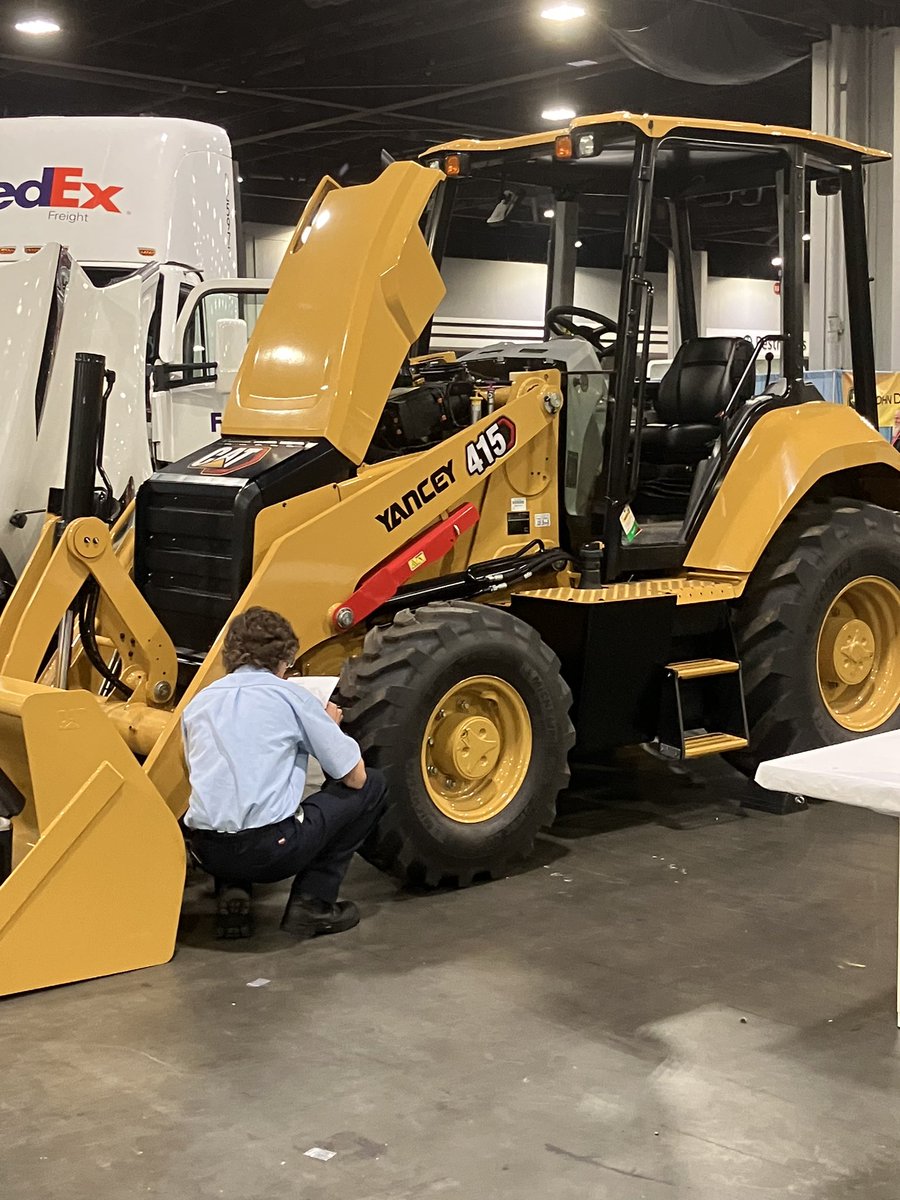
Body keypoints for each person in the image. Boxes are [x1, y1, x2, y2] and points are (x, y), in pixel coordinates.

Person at [182, 606, 388, 940]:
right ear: (284, 658)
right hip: (271, 853)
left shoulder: (198, 703)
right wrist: (330, 727)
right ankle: (313, 903)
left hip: (206, 852)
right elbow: (355, 777)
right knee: (373, 786)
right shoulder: (291, 697)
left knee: (232, 793)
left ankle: (233, 889)